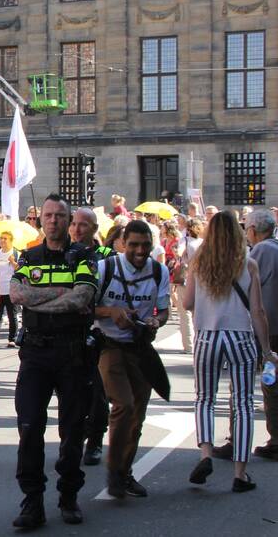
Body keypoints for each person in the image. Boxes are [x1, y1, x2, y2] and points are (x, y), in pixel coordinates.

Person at [10, 194, 99, 529]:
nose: (54, 221)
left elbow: (83, 297)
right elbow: (17, 295)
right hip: (35, 352)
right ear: (40, 219)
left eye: (61, 216)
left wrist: (39, 300)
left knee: (72, 430)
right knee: (29, 427)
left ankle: (68, 496)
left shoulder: (84, 257)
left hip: (72, 351)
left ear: (68, 220)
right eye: (48, 215)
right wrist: (61, 296)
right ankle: (32, 501)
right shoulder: (29, 256)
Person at [185, 211, 277, 492]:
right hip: (240, 337)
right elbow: (258, 311)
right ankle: (240, 473)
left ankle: (205, 454)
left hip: (207, 337)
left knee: (204, 399)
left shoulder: (198, 263)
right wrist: (267, 350)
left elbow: (188, 302)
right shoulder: (248, 264)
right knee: (243, 403)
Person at [93, 220, 170, 499]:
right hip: (109, 345)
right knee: (123, 405)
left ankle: (125, 472)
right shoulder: (107, 268)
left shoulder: (159, 272)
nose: (140, 251)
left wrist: (155, 321)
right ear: (123, 243)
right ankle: (114, 471)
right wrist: (111, 312)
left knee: (138, 413)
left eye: (145, 245)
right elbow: (86, 307)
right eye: (134, 245)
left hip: (139, 348)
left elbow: (164, 310)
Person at [69, 207, 112, 467]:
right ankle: (74, 437)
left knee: (98, 392)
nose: (76, 229)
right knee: (71, 392)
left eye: (83, 224)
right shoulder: (61, 254)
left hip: (99, 331)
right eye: (73, 223)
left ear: (94, 229)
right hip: (69, 332)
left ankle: (95, 439)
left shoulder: (107, 256)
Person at [246, 210, 278, 460]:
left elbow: (248, 286)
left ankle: (276, 439)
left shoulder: (262, 251)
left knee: (271, 384)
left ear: (254, 230)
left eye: (247, 228)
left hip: (271, 328)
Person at [174, 217, 204, 354]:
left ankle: (189, 346)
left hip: (186, 278)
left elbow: (179, 253)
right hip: (201, 280)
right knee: (198, 312)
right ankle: (200, 342)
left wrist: (177, 254)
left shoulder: (185, 240)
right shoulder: (204, 243)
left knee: (184, 312)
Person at [0, 231, 20, 347]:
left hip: (11, 290)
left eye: (5, 239)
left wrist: (13, 262)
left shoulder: (16, 253)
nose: (2, 241)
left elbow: (20, 270)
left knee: (12, 315)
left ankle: (12, 338)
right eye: (1, 238)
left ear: (11, 240)